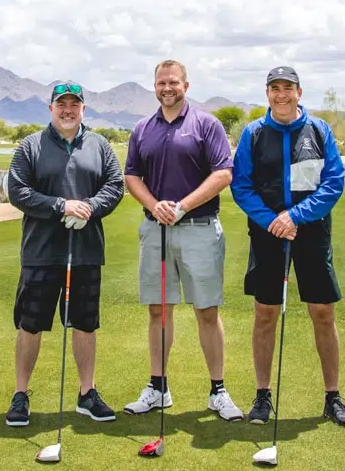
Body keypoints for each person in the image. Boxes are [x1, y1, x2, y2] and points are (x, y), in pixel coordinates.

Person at [229, 65, 345, 428]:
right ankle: (262, 396)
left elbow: (333, 182)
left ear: (299, 92)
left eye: (288, 87)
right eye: (274, 88)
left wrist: (294, 217)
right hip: (268, 233)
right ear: (266, 93)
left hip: (312, 232)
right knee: (265, 313)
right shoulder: (254, 134)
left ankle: (332, 397)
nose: (281, 94)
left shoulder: (318, 130)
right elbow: (241, 186)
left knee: (323, 313)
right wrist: (273, 220)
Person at [121, 59, 245, 422]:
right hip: (155, 231)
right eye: (161, 83)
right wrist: (154, 205)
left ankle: (218, 391)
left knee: (206, 310)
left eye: (173, 82)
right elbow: (132, 176)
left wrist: (183, 206)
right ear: (154, 86)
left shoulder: (206, 124)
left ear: (186, 86)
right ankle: (158, 388)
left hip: (200, 230)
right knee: (158, 310)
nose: (167, 88)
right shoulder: (143, 128)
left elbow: (223, 173)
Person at [3, 81, 125, 426]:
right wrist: (59, 205)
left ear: (83, 108)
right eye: (62, 104)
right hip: (41, 252)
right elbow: (17, 190)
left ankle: (87, 393)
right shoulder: (30, 146)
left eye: (74, 104)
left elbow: (115, 187)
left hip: (85, 252)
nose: (68, 110)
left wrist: (88, 207)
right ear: (51, 108)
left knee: (84, 324)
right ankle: (21, 394)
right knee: (31, 324)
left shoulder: (100, 145)